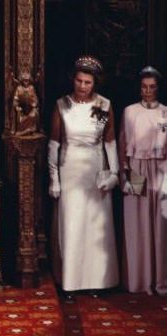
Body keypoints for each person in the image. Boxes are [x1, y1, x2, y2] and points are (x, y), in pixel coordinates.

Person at [48, 56, 119, 295]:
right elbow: (54, 144)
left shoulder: (103, 105)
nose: (82, 86)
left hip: (95, 169)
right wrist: (54, 179)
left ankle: (97, 282)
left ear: (94, 83)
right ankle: (70, 282)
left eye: (87, 82)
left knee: (95, 226)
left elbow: (109, 142)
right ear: (73, 79)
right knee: (72, 224)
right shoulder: (62, 105)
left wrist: (114, 173)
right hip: (70, 169)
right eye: (79, 81)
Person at [119, 66, 167, 295]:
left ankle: (160, 282)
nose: (147, 91)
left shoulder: (166, 113)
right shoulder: (129, 112)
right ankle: (140, 281)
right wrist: (123, 175)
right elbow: (122, 144)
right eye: (144, 87)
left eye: (152, 87)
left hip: (160, 168)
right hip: (137, 168)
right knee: (138, 223)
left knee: (160, 225)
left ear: (158, 88)